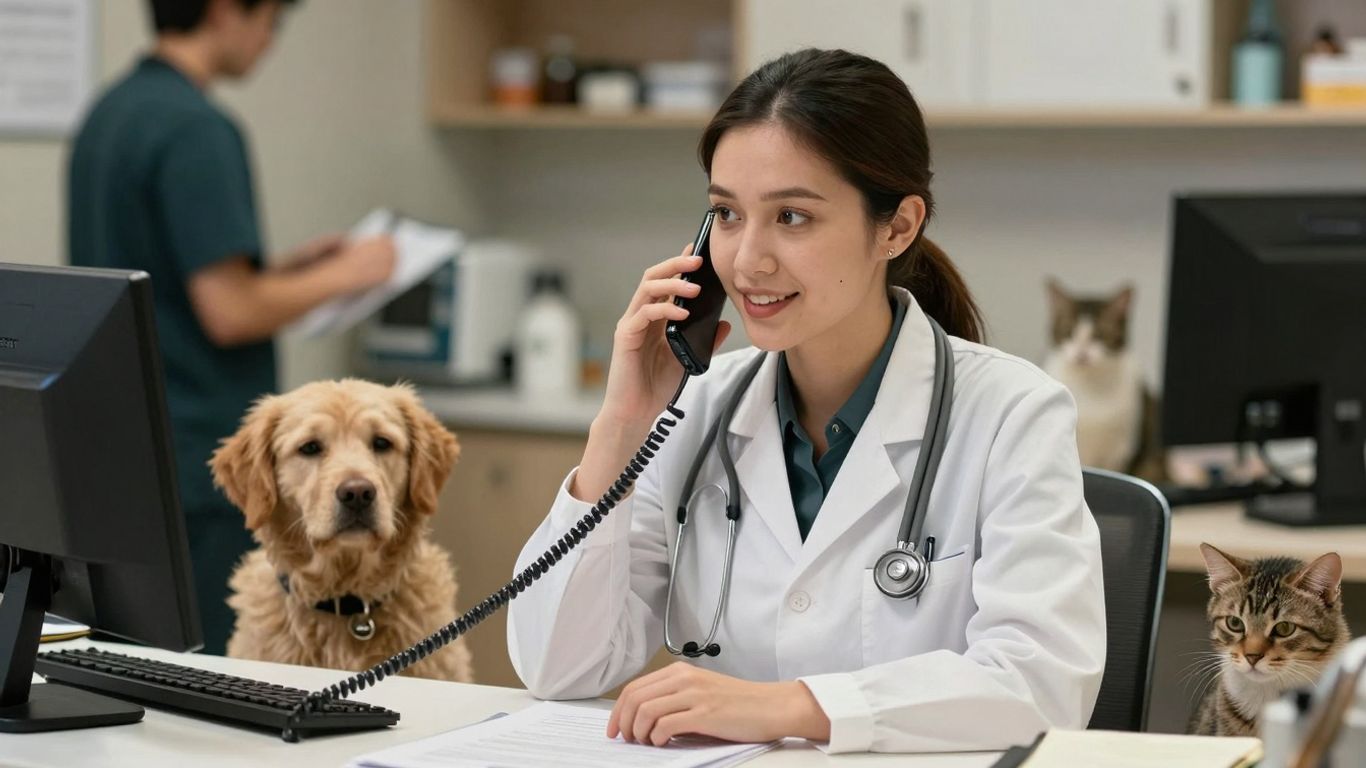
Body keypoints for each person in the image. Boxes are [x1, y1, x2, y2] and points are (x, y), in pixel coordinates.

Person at [506, 48, 1106, 754]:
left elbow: (1040, 684)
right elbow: (559, 667)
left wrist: (791, 708)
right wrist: (620, 428)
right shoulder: (699, 410)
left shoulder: (1012, 414)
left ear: (897, 227)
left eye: (791, 217)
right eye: (726, 214)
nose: (748, 259)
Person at [67, 0, 396, 655]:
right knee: (207, 675)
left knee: (134, 670)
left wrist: (282, 271)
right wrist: (352, 273)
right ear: (225, 10)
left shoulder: (108, 116)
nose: (269, 41)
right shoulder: (197, 128)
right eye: (271, 19)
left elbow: (162, 283)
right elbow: (230, 311)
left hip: (116, 453)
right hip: (196, 462)